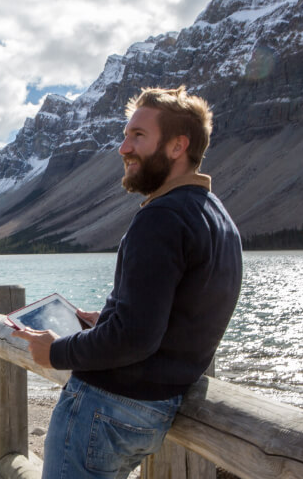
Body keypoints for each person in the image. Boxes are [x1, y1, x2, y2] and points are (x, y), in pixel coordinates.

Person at [13, 85, 242, 479]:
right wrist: (108, 319)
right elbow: (176, 313)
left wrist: (57, 351)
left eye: (138, 136)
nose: (123, 149)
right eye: (126, 135)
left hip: (107, 406)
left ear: (177, 146)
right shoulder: (218, 217)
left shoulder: (161, 218)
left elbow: (136, 337)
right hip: (158, 408)